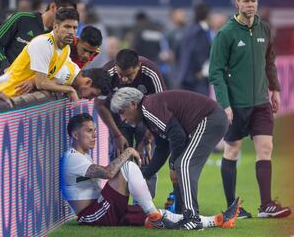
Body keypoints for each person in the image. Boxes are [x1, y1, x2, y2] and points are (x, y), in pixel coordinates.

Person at [60, 113, 241, 229]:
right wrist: (129, 151)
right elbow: (108, 173)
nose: (94, 135)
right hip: (92, 215)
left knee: (162, 216)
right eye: (89, 131)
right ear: (75, 135)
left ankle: (217, 220)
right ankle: (152, 213)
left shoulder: (81, 157)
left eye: (94, 130)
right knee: (128, 166)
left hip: (102, 209)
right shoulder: (72, 158)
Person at [209, 0, 291, 219]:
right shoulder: (225, 33)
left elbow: (269, 60)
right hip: (236, 105)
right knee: (232, 150)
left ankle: (266, 206)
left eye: (253, 0)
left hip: (261, 104)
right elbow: (215, 72)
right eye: (245, 1)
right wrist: (225, 104)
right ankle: (232, 207)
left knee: (265, 148)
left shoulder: (264, 27)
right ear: (236, 3)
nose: (250, 5)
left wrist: (275, 89)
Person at [110, 87, 229, 230]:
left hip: (210, 118)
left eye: (122, 112)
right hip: (210, 118)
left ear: (133, 104)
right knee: (182, 164)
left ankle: (192, 218)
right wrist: (143, 176)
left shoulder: (148, 108)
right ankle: (184, 215)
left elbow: (177, 135)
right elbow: (163, 148)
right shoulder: (149, 112)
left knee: (183, 164)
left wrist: (173, 166)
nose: (123, 119)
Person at [95, 49, 166, 200]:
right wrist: (116, 135)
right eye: (120, 75)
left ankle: (143, 208)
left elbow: (161, 108)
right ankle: (119, 207)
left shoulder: (151, 72)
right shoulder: (107, 72)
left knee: (146, 160)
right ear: (115, 66)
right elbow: (100, 105)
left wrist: (148, 139)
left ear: (139, 66)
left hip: (146, 121)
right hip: (118, 121)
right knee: (119, 161)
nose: (124, 79)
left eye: (129, 75)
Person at [0, 8, 81, 101]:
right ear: (55, 27)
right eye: (67, 27)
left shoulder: (66, 49)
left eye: (74, 28)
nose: (71, 32)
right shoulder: (43, 43)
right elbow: (41, 83)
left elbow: (54, 79)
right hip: (5, 96)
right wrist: (70, 90)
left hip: (20, 100)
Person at [0, 0, 77, 73]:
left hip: (35, 90)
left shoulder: (60, 37)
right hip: (7, 84)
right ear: (53, 7)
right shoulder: (21, 18)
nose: (67, 17)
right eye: (64, 12)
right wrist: (5, 66)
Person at [177, 3, 212, 96]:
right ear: (208, 15)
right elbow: (199, 51)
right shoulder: (200, 31)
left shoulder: (188, 29)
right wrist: (202, 70)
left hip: (185, 75)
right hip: (196, 78)